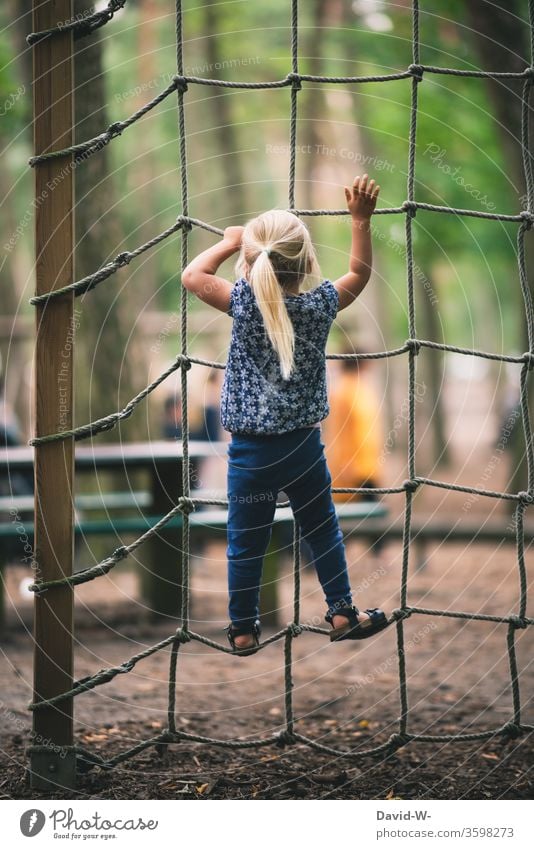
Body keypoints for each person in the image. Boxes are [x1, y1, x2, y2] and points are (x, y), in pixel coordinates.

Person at [182, 173, 389, 654]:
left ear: (248, 264)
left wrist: (228, 242)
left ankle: (242, 628)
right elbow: (357, 274)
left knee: (245, 540)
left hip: (250, 454)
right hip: (303, 448)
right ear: (306, 263)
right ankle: (341, 611)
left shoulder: (242, 303)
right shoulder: (319, 306)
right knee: (322, 528)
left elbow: (193, 278)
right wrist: (360, 221)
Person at [323, 354, 383, 502]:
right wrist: (344, 463)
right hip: (353, 469)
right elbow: (338, 432)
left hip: (368, 466)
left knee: (372, 515)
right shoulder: (343, 391)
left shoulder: (361, 387)